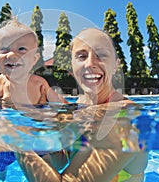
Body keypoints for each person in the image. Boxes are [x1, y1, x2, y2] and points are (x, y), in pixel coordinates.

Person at [15, 28, 148, 181]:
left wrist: (17, 144)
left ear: (116, 65)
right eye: (81, 56)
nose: (90, 63)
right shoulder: (73, 111)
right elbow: (62, 161)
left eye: (102, 55)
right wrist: (39, 145)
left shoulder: (125, 118)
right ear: (72, 66)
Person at [0, 19, 68, 180]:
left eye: (21, 49)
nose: (11, 54)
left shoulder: (39, 83)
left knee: (56, 163)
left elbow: (59, 103)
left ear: (34, 59)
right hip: (2, 142)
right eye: (4, 49)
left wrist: (68, 112)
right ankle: (2, 170)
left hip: (33, 138)